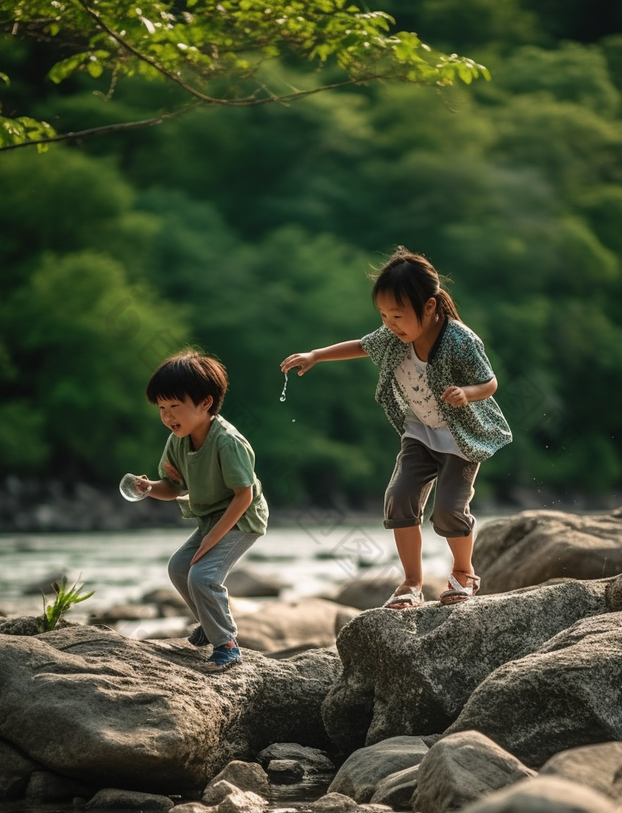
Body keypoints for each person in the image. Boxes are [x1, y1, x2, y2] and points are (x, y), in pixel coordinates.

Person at [281, 247, 511, 609]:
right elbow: (361, 345)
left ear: (430, 306)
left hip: (459, 439)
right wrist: (316, 355)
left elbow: (490, 382)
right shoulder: (393, 336)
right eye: (384, 315)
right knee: (399, 497)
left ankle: (464, 573)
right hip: (419, 432)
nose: (390, 323)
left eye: (398, 315)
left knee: (449, 510)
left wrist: (467, 393)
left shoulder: (460, 340)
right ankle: (411, 583)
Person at [142, 349, 268, 669]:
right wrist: (148, 489)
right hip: (211, 516)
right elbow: (173, 488)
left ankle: (227, 645)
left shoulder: (227, 442)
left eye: (175, 406)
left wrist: (211, 540)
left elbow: (244, 495)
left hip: (242, 517)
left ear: (205, 403)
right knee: (178, 568)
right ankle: (210, 627)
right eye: (162, 408)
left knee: (202, 575)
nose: (168, 417)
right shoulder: (178, 440)